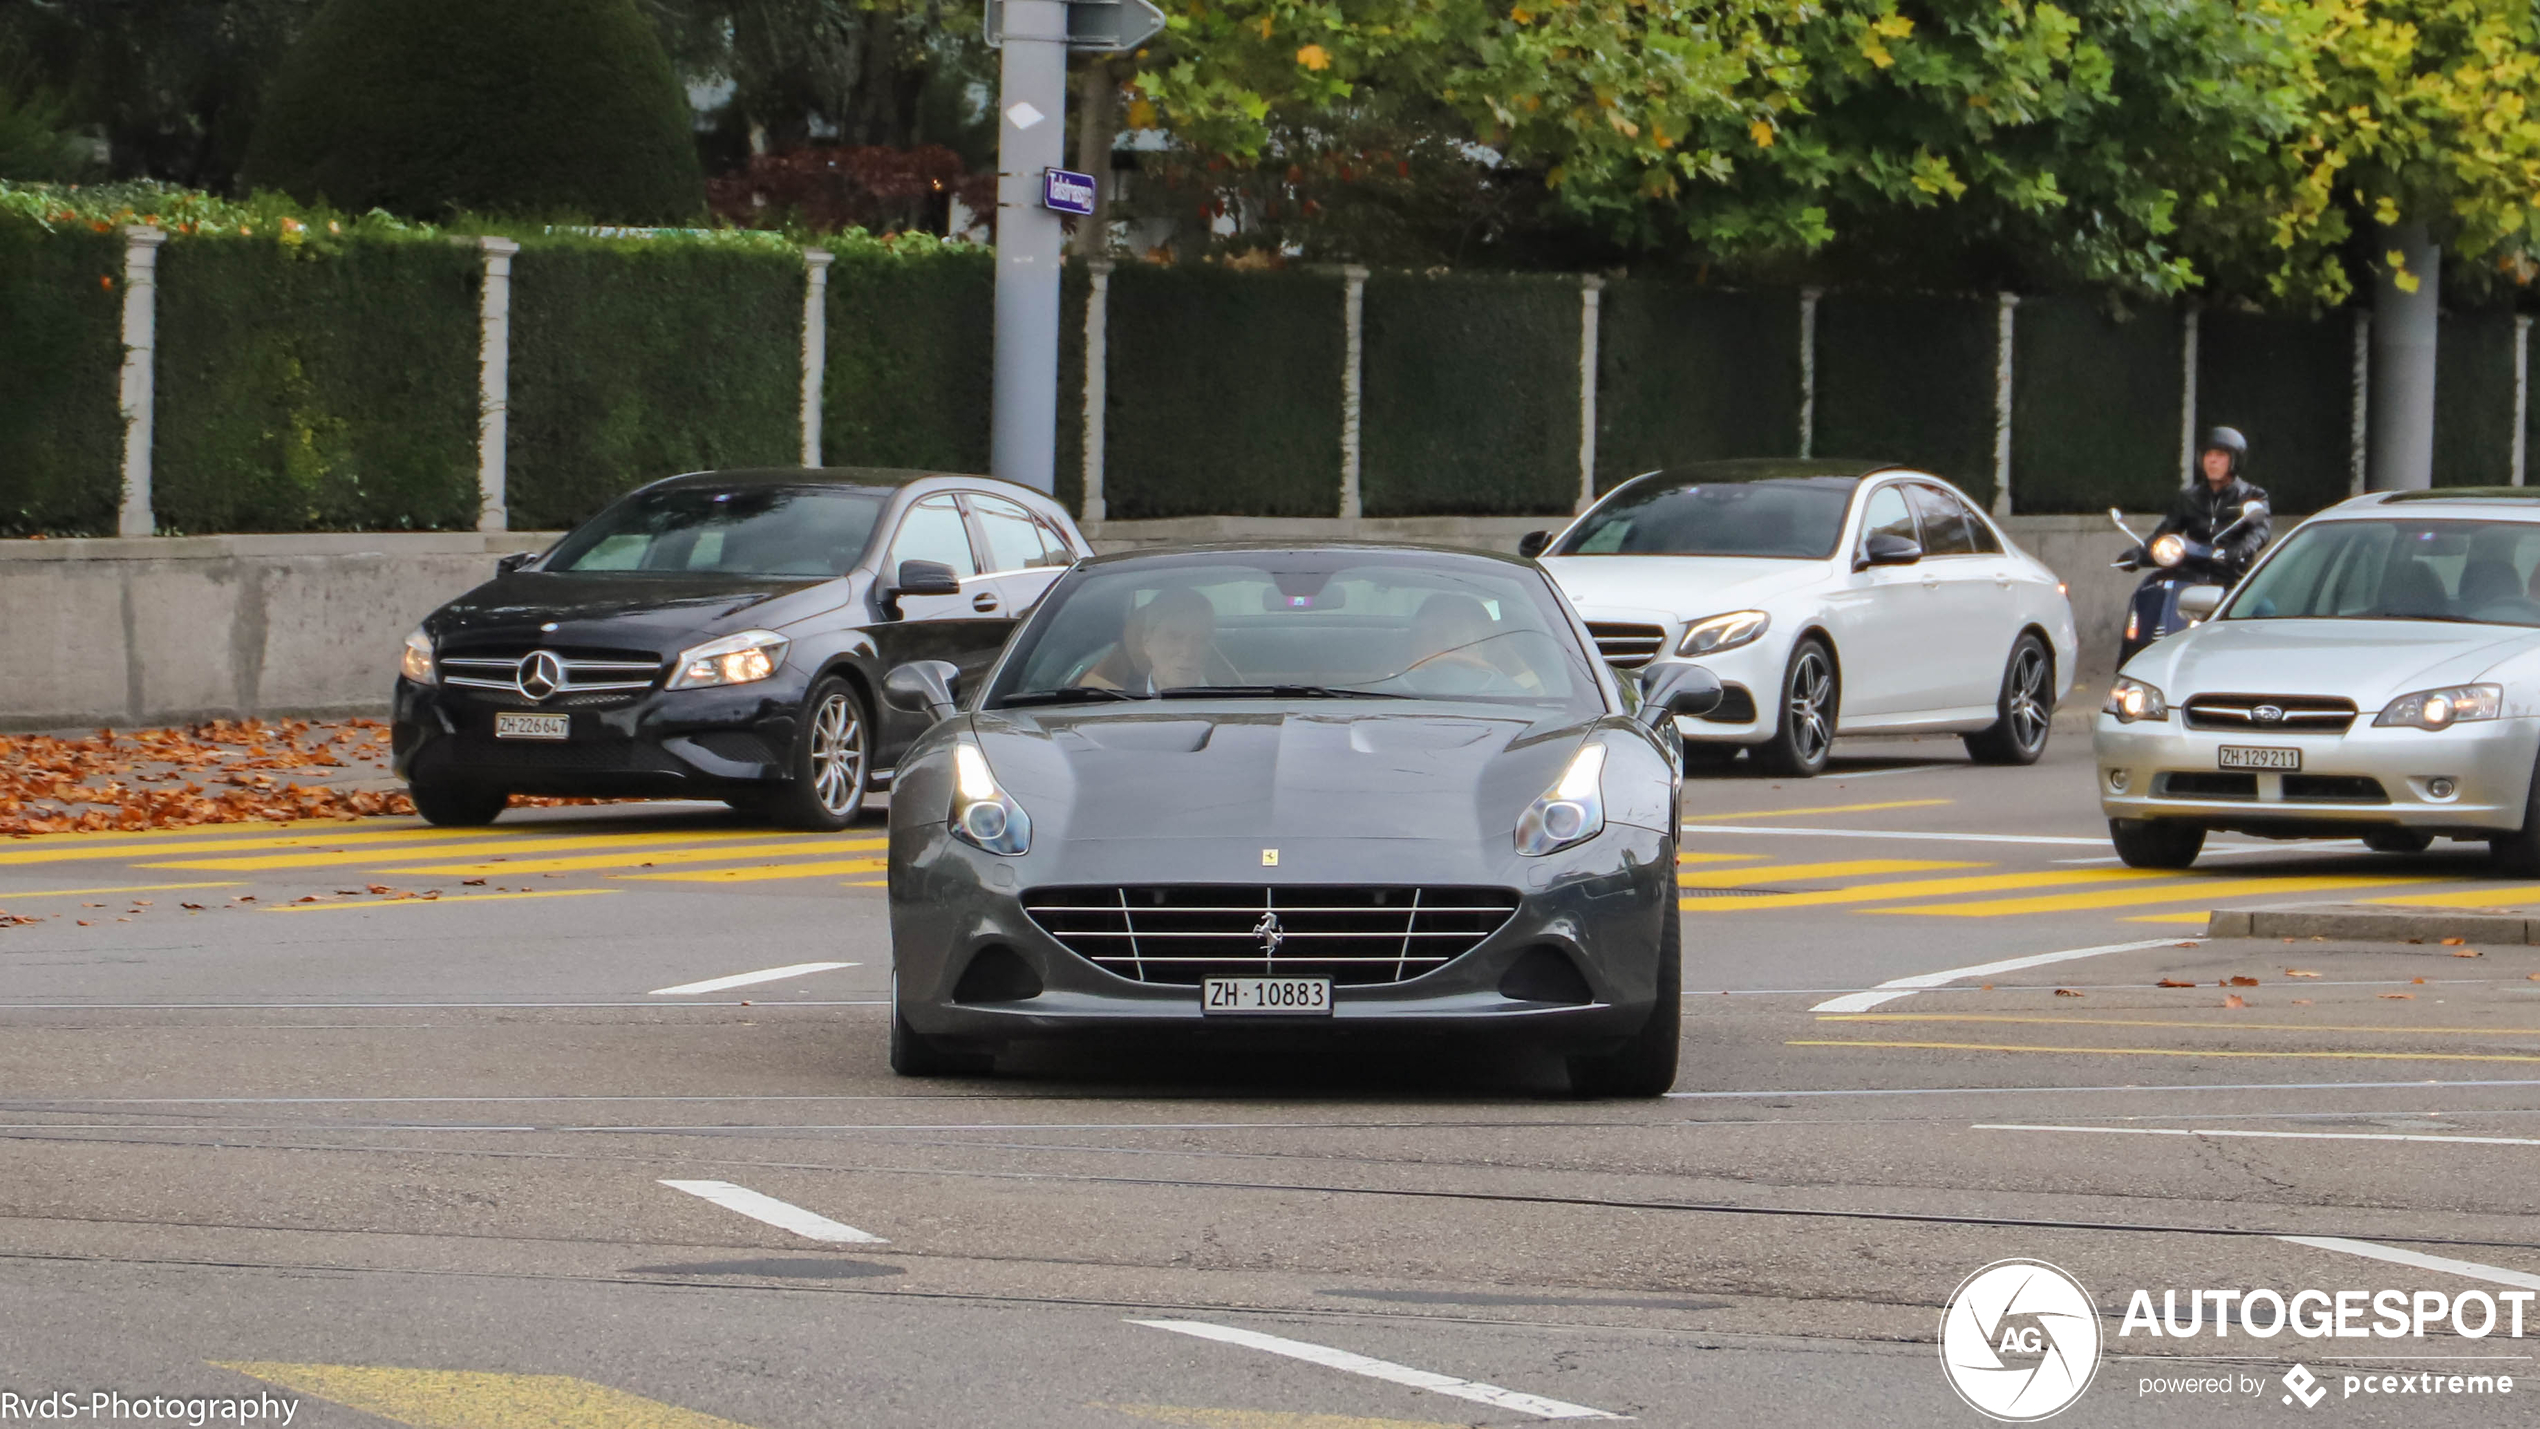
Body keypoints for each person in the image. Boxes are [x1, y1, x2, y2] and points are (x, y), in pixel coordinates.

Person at [2153, 426, 2271, 582]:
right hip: (2190, 576)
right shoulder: (2189, 497)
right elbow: (2165, 532)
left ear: (2235, 461)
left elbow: (2261, 530)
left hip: (2233, 578)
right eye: (2208, 454)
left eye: (2220, 455)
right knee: (2151, 594)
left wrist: (2242, 548)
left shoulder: (2253, 496)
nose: (2212, 460)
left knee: (2266, 608)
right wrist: (2141, 551)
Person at [1078, 588, 1219, 692]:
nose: (1188, 652)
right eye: (1174, 637)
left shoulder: (1235, 700)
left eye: (1200, 639)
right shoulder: (1113, 701)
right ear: (1147, 643)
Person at [1401, 593, 1543, 695]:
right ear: (1415, 640)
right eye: (1437, 636)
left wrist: (1491, 670)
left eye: (1462, 637)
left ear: (1483, 643)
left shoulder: (1508, 680)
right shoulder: (1390, 682)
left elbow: (1537, 699)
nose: (1450, 645)